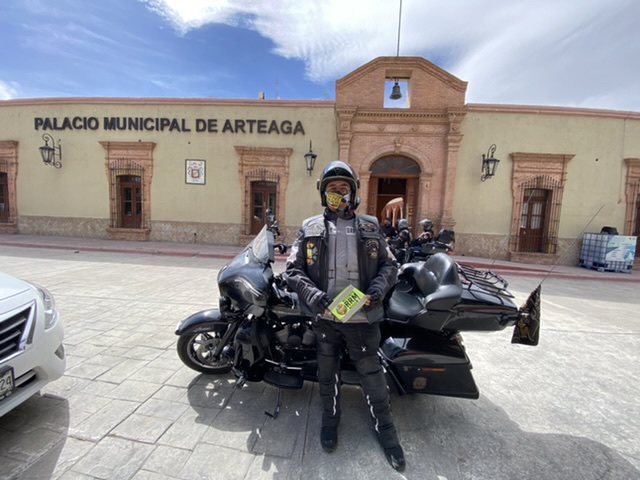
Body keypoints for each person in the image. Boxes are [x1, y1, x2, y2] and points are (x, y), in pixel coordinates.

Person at [285, 160, 406, 472]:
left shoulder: (370, 226)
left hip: (363, 320)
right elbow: (293, 270)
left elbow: (390, 265)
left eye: (343, 188)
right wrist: (316, 297)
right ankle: (330, 420)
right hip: (326, 319)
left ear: (353, 192)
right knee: (327, 374)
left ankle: (387, 432)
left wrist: (376, 291)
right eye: (332, 189)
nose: (338, 193)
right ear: (323, 194)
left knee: (373, 377)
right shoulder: (310, 227)